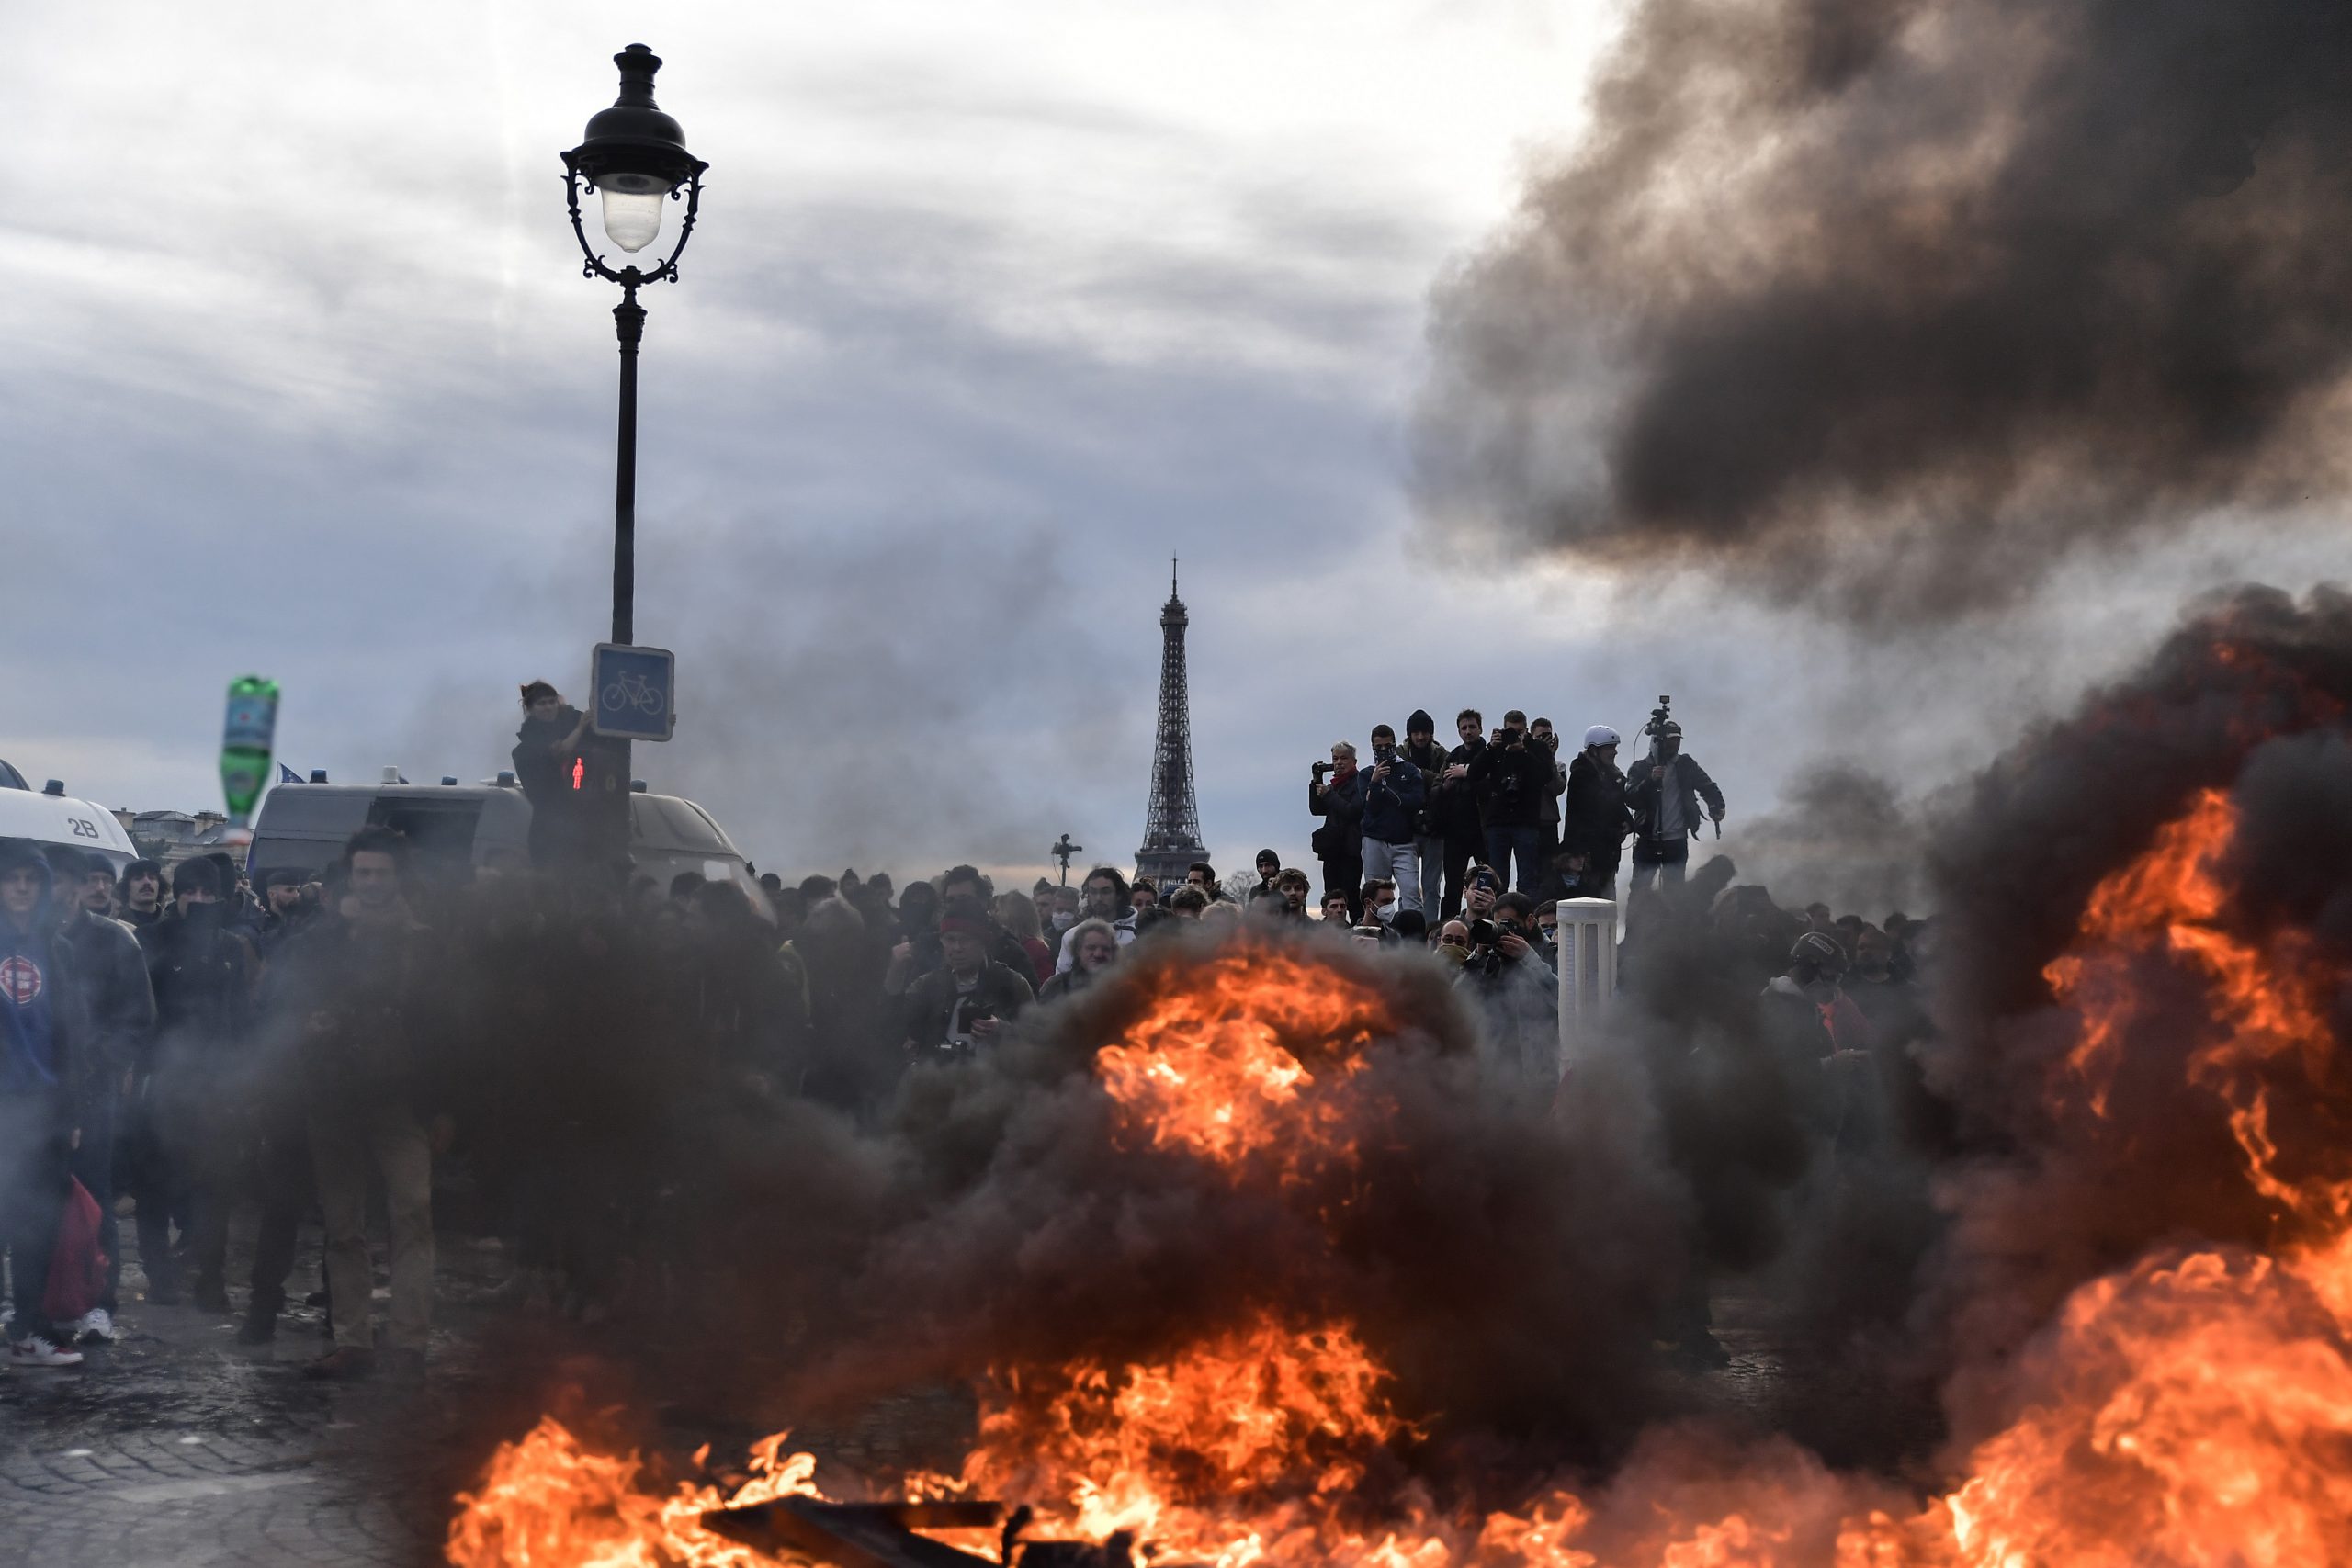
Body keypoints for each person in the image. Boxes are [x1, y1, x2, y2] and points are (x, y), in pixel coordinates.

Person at [279, 828, 446, 1380]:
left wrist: (445, 1107)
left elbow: (451, 1027)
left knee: (412, 1215)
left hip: (402, 1102)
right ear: (351, 877)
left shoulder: (423, 942)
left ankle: (409, 1344)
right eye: (363, 873)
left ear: (398, 879)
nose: (372, 883)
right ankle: (353, 1340)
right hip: (334, 1098)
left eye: (382, 874)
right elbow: (291, 993)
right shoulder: (325, 937)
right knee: (343, 1226)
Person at [139, 856, 260, 1312]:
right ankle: (159, 1277)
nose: (198, 901)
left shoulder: (230, 947)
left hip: (215, 1082)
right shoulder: (151, 941)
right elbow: (142, 1013)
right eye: (189, 892)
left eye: (207, 893)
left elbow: (241, 1016)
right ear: (176, 895)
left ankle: (210, 1279)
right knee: (154, 1187)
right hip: (162, 1082)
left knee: (213, 1187)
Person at [47, 847, 154, 1344]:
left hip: (92, 1089)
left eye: (81, 880)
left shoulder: (114, 941)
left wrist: (100, 1063)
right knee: (31, 1198)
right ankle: (39, 1302)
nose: (67, 889)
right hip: (32, 1091)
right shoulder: (23, 940)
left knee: (93, 1196)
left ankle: (100, 1303)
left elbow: (137, 1017)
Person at [0, 840, 89, 1365]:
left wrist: (72, 1111)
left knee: (37, 1222)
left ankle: (27, 1326)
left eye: (31, 880)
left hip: (44, 1105)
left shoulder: (58, 950)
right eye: (12, 879)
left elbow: (73, 1035)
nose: (21, 889)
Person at [1453, 889, 1559, 1093]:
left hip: (1539, 1078)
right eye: (1497, 924)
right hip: (1497, 1078)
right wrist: (1477, 956)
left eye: (1507, 925)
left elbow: (1564, 999)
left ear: (1529, 921)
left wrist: (1528, 957)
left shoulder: (1552, 954)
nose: (1501, 931)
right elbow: (1456, 1000)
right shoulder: (1493, 957)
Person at [902, 898, 1035, 1061]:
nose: (957, 948)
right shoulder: (927, 985)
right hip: (937, 1080)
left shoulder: (1011, 984)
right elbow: (895, 1025)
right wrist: (894, 975)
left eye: (965, 940)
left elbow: (1036, 1039)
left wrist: (1001, 1030)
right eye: (950, 939)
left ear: (983, 943)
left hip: (993, 1081)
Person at [511, 681, 606, 870]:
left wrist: (661, 720)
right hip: (549, 829)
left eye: (551, 702)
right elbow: (559, 753)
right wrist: (579, 728)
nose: (548, 707)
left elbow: (610, 735)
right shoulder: (529, 744)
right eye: (542, 703)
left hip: (585, 825)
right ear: (531, 709)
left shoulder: (572, 719)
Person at [1624, 719, 1727, 892]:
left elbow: (1707, 786)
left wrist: (1717, 805)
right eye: (1669, 740)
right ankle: (1636, 919)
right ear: (1658, 742)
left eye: (1676, 740)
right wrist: (1650, 780)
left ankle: (1674, 920)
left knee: (1675, 893)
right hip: (1648, 841)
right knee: (1639, 890)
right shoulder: (1641, 768)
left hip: (1676, 841)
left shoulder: (1686, 765)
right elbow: (1631, 799)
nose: (1673, 744)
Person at [1469, 712, 1554, 895]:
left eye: (1519, 731)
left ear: (1526, 729)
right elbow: (1474, 773)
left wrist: (1523, 751)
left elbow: (1545, 776)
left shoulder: (1536, 747)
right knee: (1497, 879)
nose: (1514, 736)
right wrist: (1490, 748)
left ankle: (1526, 917)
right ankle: (1496, 917)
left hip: (1526, 820)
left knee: (1528, 878)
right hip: (1498, 820)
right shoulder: (1497, 747)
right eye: (1511, 731)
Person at [1357, 724, 1428, 914]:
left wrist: (1390, 794)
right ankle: (1379, 935)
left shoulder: (1409, 770)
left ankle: (1413, 935)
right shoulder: (1365, 774)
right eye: (1378, 747)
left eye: (1387, 746)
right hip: (1375, 840)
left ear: (1394, 744)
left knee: (1411, 892)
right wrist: (1375, 783)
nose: (1382, 751)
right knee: (1375, 894)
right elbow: (1369, 808)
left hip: (1404, 842)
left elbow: (1417, 800)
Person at [1430, 710, 1488, 919]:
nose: (1468, 731)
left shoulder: (1489, 754)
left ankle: (1489, 925)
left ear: (1480, 728)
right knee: (1453, 887)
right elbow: (1436, 789)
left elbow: (1493, 786)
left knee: (1487, 883)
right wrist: (1445, 788)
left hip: (1483, 831)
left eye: (1472, 727)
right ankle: (1447, 927)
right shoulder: (1453, 756)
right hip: (1455, 832)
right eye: (1464, 728)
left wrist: (1469, 773)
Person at [1562, 725, 1632, 899]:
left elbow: (1618, 805)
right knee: (1592, 905)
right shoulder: (1581, 775)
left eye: (1614, 748)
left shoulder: (1608, 773)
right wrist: (1614, 831)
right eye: (1609, 748)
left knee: (1607, 904)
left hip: (1606, 854)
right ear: (1594, 750)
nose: (1614, 752)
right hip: (1588, 855)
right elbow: (1597, 809)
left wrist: (1629, 823)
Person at [1401, 711, 1452, 917]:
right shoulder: (1400, 753)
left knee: (1431, 887)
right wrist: (1429, 779)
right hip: (1406, 829)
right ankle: (1405, 929)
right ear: (1410, 734)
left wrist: (1417, 774)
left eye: (1424, 732)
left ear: (1431, 733)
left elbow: (1446, 784)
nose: (1420, 737)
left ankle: (1430, 930)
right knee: (1408, 887)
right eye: (1416, 732)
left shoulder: (1442, 755)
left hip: (1435, 828)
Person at [1309, 741, 1365, 922]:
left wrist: (1328, 794)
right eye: (1335, 759)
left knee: (1351, 895)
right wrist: (1316, 781)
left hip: (1350, 850)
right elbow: (1316, 809)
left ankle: (1358, 928)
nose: (1338, 763)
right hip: (1332, 849)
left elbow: (1352, 811)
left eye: (1343, 758)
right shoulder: (1334, 785)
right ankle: (1331, 931)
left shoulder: (1359, 782)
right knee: (1331, 895)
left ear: (1354, 761)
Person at [1055, 867, 1138, 973]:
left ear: (1119, 895)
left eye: (1105, 892)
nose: (1099, 898)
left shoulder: (1137, 932)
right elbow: (1061, 981)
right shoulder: (1072, 935)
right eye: (1093, 892)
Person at [1038, 919, 1121, 1003]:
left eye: (1105, 949)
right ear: (1078, 950)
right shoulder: (1058, 986)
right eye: (1091, 948)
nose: (1098, 954)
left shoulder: (1123, 988)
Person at [1530, 718, 1568, 893]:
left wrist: (1549, 758)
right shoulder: (1525, 761)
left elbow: (1557, 788)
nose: (1545, 740)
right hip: (1528, 824)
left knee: (1549, 874)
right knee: (1530, 874)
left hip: (1548, 825)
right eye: (1540, 737)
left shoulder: (1559, 765)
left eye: (1548, 735)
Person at [992, 890, 1056, 987]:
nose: (993, 914)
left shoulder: (1035, 947)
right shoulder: (1006, 943)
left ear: (1010, 914)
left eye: (997, 910)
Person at [117, 859, 166, 932]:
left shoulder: (172, 926)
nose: (147, 882)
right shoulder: (116, 926)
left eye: (152, 878)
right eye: (138, 878)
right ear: (126, 888)